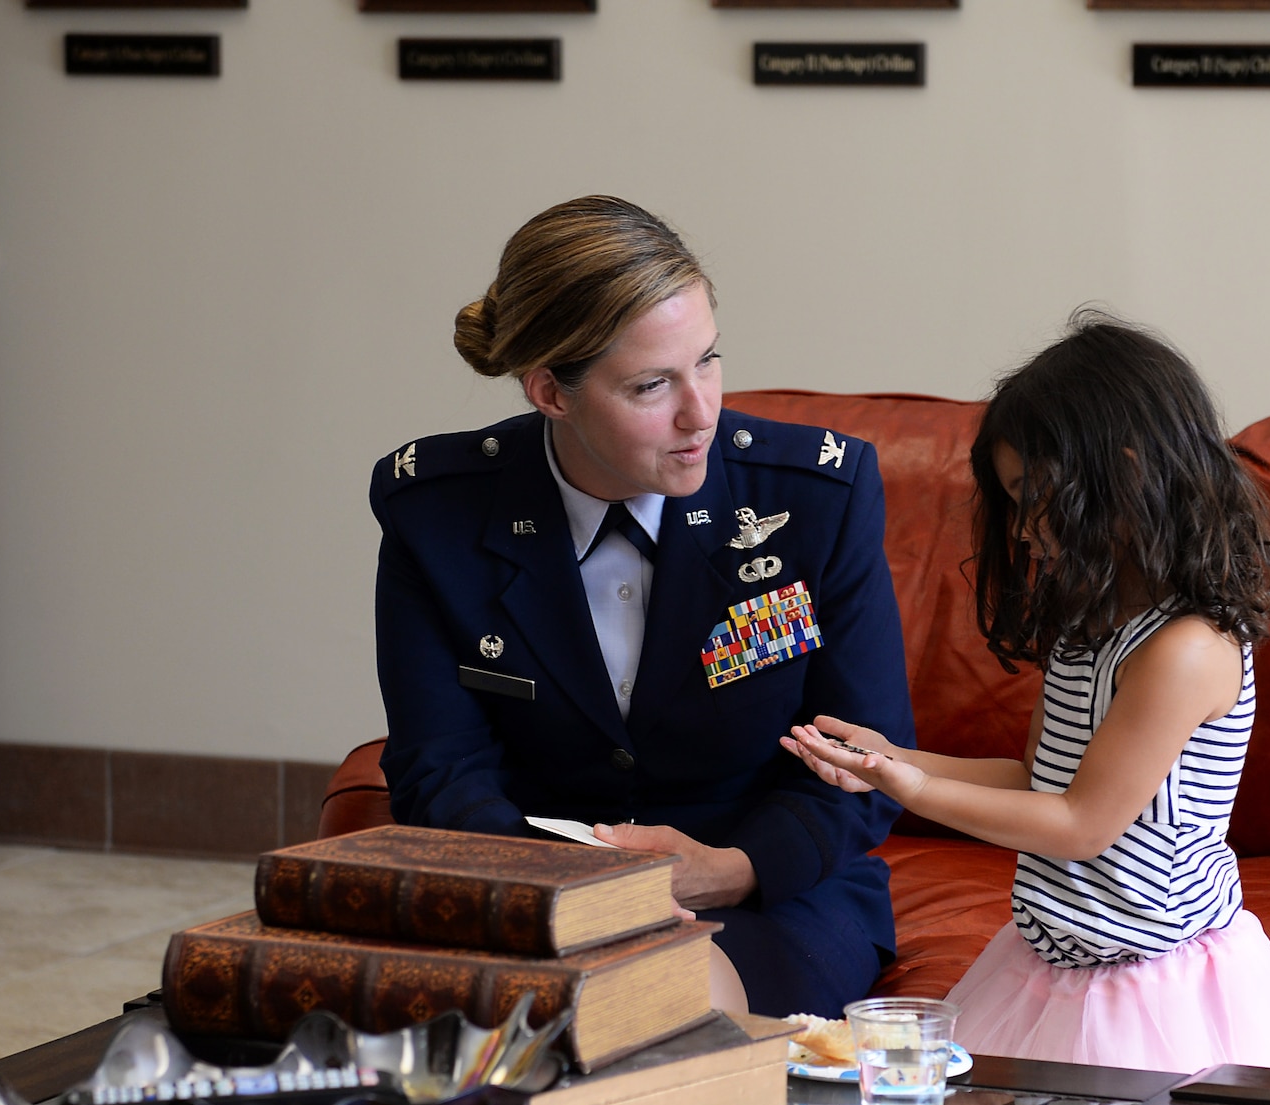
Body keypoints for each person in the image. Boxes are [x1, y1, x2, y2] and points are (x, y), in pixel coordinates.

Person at [783, 311, 1270, 1105]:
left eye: (1039, 498)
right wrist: (895, 758)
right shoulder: (1094, 622)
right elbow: (1039, 778)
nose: (1023, 528)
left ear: (1130, 474)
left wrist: (916, 795)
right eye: (1012, 500)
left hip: (1150, 982)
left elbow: (1085, 824)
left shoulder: (1183, 647)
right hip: (1050, 957)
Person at [369, 195, 915, 1019]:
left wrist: (729, 867)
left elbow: (866, 758)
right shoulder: (439, 512)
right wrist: (578, 898)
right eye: (653, 384)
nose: (701, 413)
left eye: (708, 360)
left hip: (766, 888)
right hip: (530, 887)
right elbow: (439, 767)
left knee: (656, 1004)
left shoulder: (812, 498)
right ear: (550, 390)